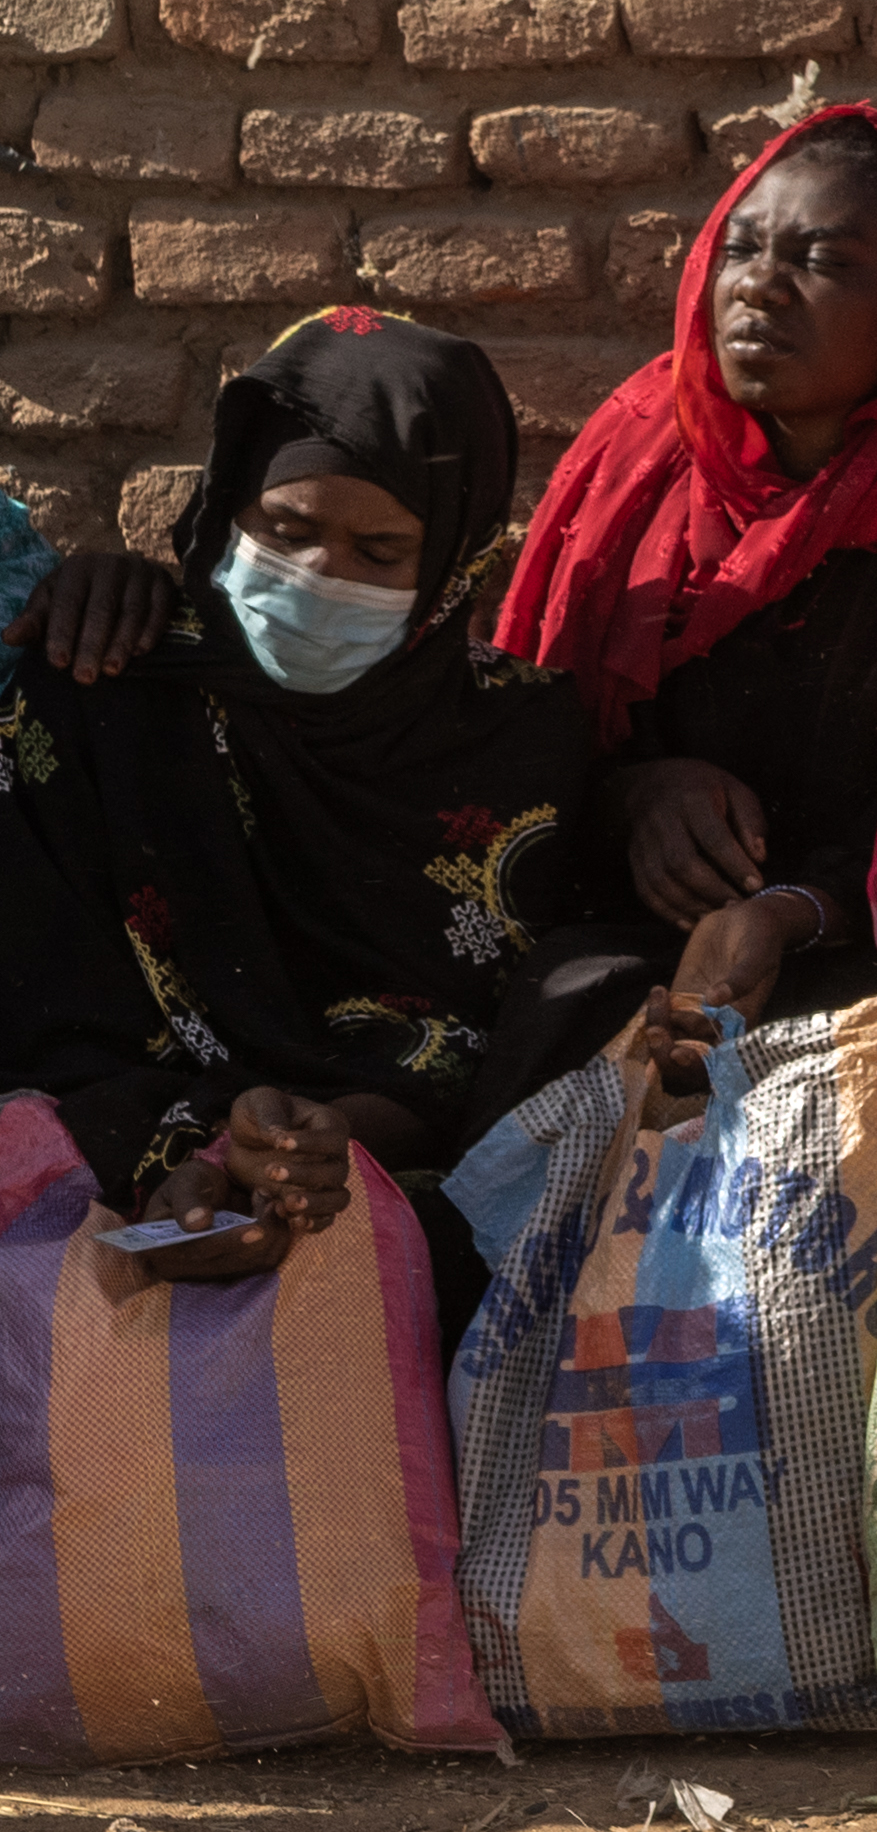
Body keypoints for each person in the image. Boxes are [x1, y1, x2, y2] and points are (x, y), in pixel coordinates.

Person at [0, 312, 642, 1315]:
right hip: (112, 1161)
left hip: (381, 1167)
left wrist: (307, 1146)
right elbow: (49, 999)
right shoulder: (103, 691)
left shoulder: (519, 741)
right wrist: (190, 1153)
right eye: (285, 530)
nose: (317, 577)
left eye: (380, 551)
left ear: (450, 568)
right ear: (225, 510)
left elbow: (481, 1032)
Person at [484, 105, 877, 1016]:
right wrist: (634, 797)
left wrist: (795, 909)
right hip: (644, 926)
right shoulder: (641, 454)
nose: (761, 288)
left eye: (824, 262)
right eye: (740, 251)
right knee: (557, 1007)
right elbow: (526, 730)